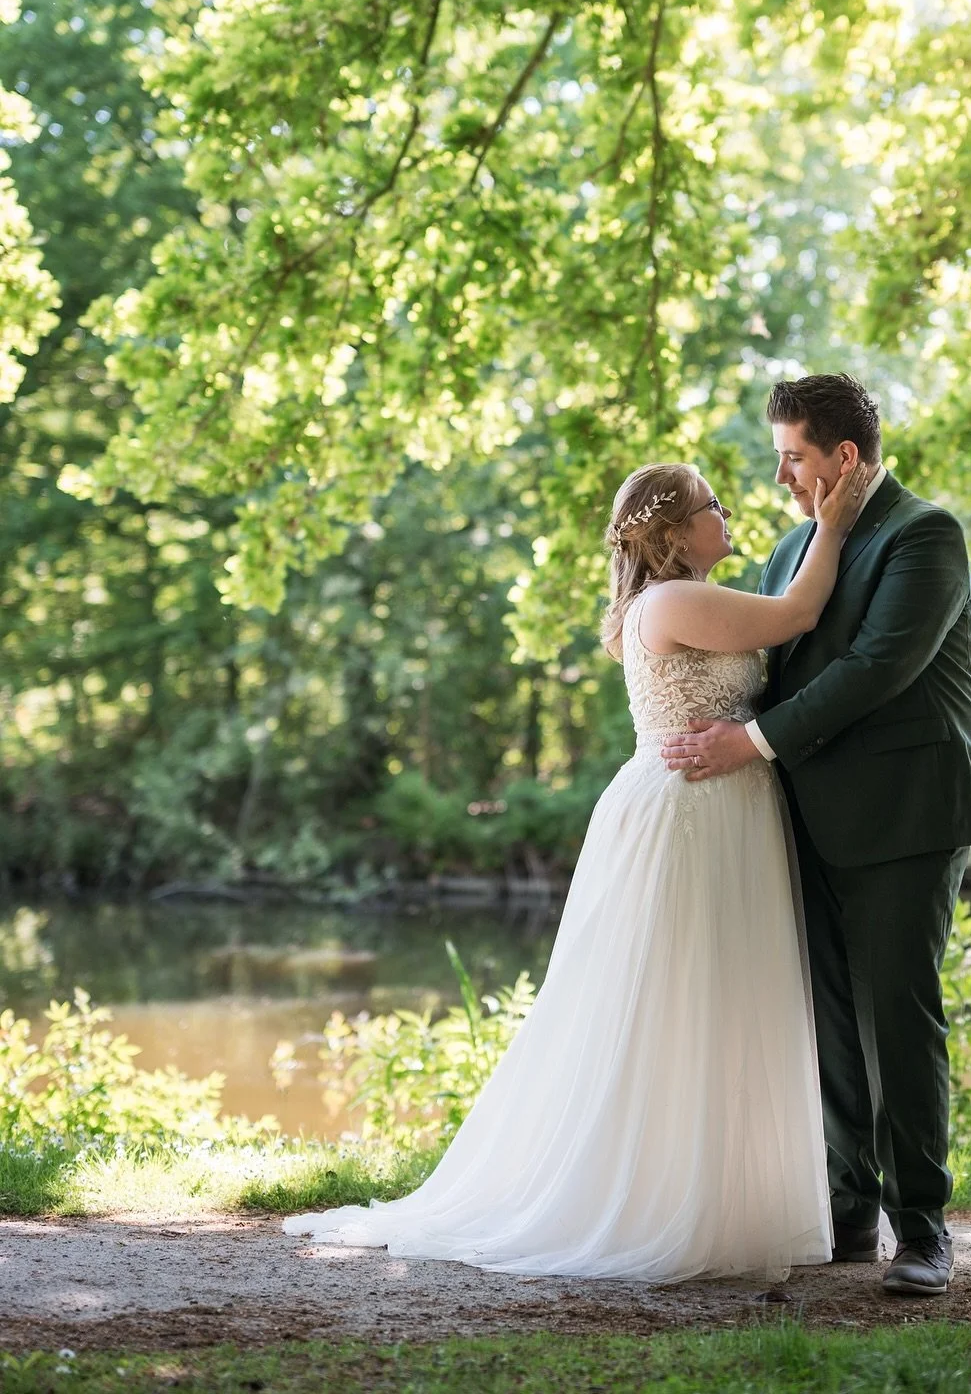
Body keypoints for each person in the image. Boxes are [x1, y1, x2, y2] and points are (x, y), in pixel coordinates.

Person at [283, 456, 868, 1281]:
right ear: (672, 532)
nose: (727, 512)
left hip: (725, 804)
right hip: (692, 813)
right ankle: (657, 1199)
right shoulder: (672, 600)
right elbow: (800, 610)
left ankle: (717, 1196)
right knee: (682, 997)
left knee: (722, 999)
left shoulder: (672, 598)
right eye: (712, 505)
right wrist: (835, 520)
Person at [663, 374, 971, 1297]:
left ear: (843, 457)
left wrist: (753, 744)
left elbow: (879, 666)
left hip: (904, 815)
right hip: (802, 815)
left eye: (793, 457)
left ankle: (923, 1229)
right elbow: (768, 665)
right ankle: (850, 1212)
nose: (779, 477)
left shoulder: (926, 535)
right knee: (830, 1022)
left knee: (899, 1016)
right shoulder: (786, 551)